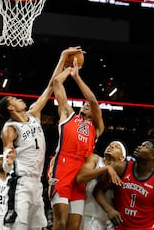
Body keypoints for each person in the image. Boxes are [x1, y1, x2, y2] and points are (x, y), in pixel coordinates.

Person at [0, 46, 85, 230]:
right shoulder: (10, 128)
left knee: (37, 228)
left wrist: (64, 62)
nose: (19, 99)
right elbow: (7, 148)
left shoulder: (34, 112)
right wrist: (7, 160)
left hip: (37, 184)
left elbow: (52, 85)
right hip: (20, 183)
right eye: (14, 99)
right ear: (10, 108)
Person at [48, 53, 105, 230]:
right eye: (84, 104)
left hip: (81, 172)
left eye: (89, 106)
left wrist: (78, 78)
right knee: (61, 221)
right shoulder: (67, 114)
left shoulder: (96, 128)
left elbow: (94, 101)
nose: (87, 104)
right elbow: (57, 83)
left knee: (74, 226)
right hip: (63, 165)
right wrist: (68, 69)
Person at [93, 139, 154, 230]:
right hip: (122, 227)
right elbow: (97, 190)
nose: (139, 146)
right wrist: (109, 210)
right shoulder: (120, 168)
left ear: (153, 156)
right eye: (140, 144)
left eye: (145, 146)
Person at [76, 140, 127, 230]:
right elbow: (80, 178)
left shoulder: (123, 173)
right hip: (86, 216)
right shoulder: (96, 159)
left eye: (116, 146)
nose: (111, 146)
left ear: (122, 157)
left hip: (108, 221)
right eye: (110, 145)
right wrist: (105, 169)